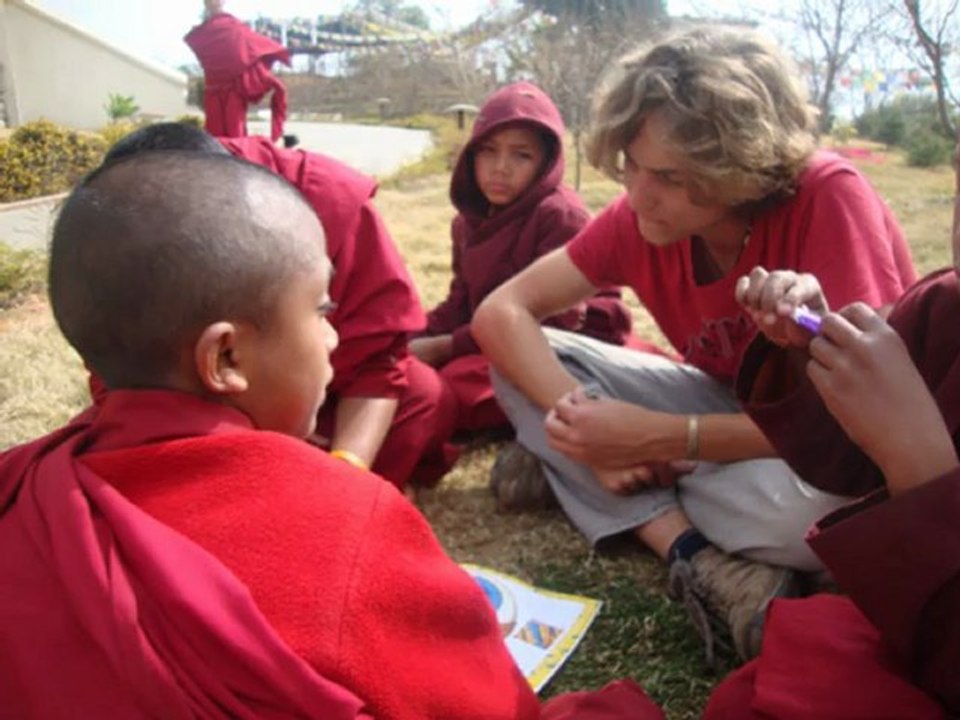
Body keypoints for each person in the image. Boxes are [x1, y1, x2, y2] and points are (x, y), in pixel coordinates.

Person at [0, 151, 663, 719]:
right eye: (319, 311)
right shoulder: (345, 520)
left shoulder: (24, 487)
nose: (334, 337)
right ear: (225, 359)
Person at [472, 27, 917, 664]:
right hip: (729, 417)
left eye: (668, 176)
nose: (636, 192)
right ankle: (694, 555)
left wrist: (661, 437)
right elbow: (502, 313)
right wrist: (596, 436)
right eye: (630, 163)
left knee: (819, 520)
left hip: (833, 441)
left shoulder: (828, 197)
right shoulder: (641, 218)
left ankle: (570, 470)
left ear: (740, 165)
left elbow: (865, 426)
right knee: (522, 364)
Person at [705, 135, 960, 717]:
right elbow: (838, 467)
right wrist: (807, 351)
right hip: (905, 624)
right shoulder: (944, 309)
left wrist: (921, 466)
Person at [94, 123, 457, 490]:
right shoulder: (120, 240)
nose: (329, 332)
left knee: (424, 396)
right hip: (206, 410)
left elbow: (379, 360)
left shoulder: (329, 203)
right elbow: (123, 372)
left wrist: (344, 474)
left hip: (326, 396)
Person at [410, 82, 633, 436]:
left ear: (547, 161)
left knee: (454, 387)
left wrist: (445, 347)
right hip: (491, 338)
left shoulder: (560, 216)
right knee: (407, 368)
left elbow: (556, 320)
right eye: (488, 151)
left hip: (558, 342)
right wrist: (410, 336)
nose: (500, 168)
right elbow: (463, 302)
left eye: (521, 155)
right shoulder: (468, 223)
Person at [185, 0, 291, 141]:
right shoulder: (226, 30)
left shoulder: (207, 33)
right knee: (228, 139)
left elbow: (246, 52)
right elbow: (251, 51)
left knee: (222, 139)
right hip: (220, 92)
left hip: (222, 92)